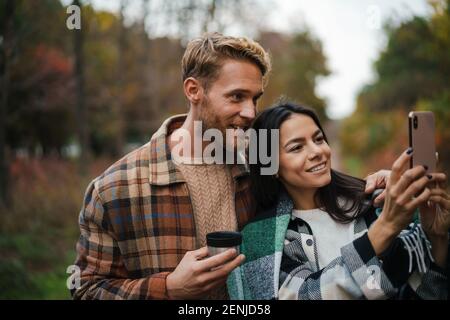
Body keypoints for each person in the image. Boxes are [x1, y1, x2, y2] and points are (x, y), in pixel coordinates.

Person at [69, 33, 390, 300]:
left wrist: (374, 187)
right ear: (194, 90)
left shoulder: (261, 163)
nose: (250, 112)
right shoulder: (115, 188)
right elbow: (85, 288)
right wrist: (168, 288)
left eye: (255, 98)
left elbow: (319, 188)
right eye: (236, 97)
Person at [227, 102, 449, 300]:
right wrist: (386, 228)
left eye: (318, 139)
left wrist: (438, 239)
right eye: (296, 147)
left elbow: (423, 289)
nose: (318, 152)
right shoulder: (262, 239)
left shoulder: (376, 205)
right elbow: (306, 296)